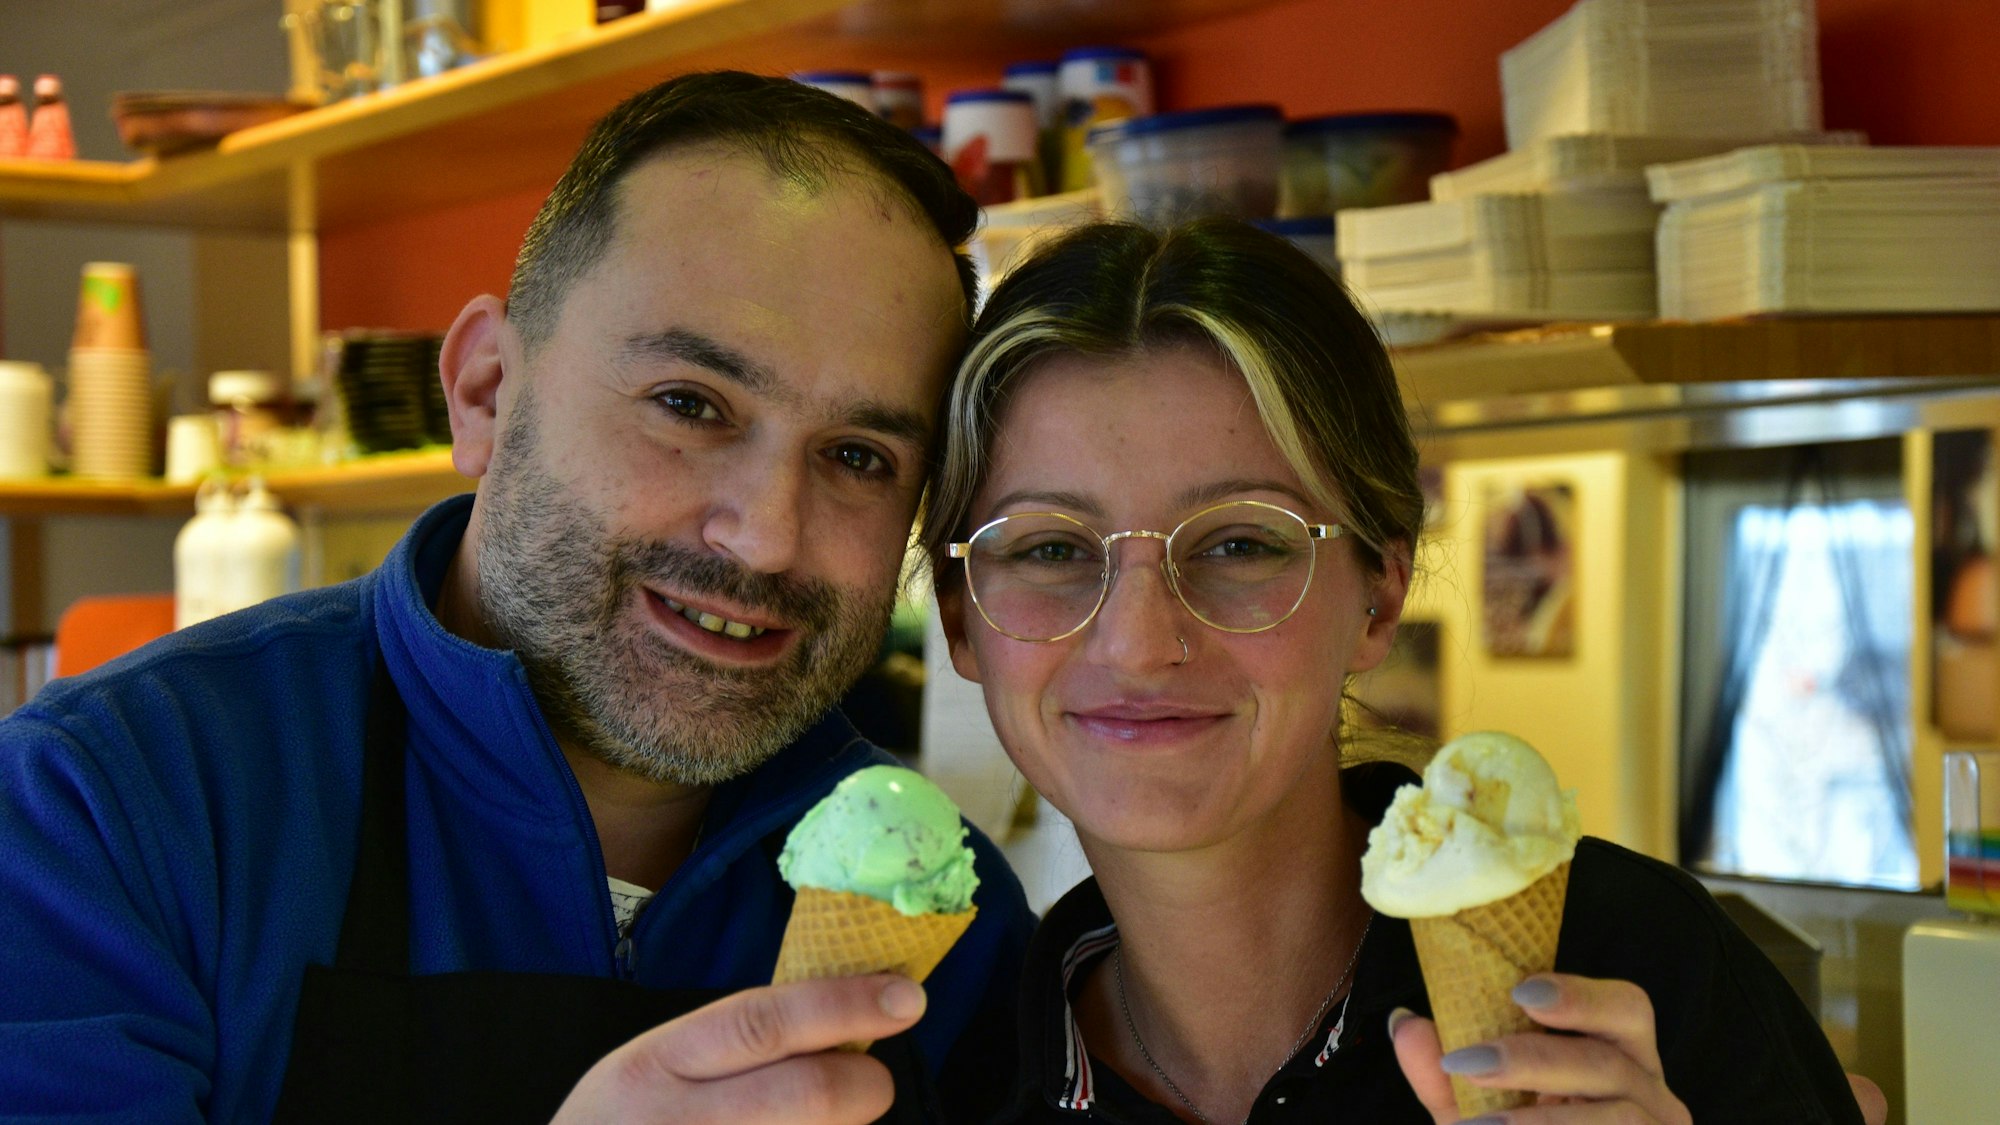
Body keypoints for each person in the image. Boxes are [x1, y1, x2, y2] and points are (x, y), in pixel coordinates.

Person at [0, 72, 1031, 1124]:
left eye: (858, 456)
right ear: (485, 389)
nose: (764, 535)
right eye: (688, 404)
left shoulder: (953, 919)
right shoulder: (111, 807)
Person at [921, 218, 1877, 1123]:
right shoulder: (946, 1067)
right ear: (961, 618)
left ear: (1378, 596)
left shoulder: (1639, 967)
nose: (1137, 640)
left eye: (1242, 543)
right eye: (1049, 550)